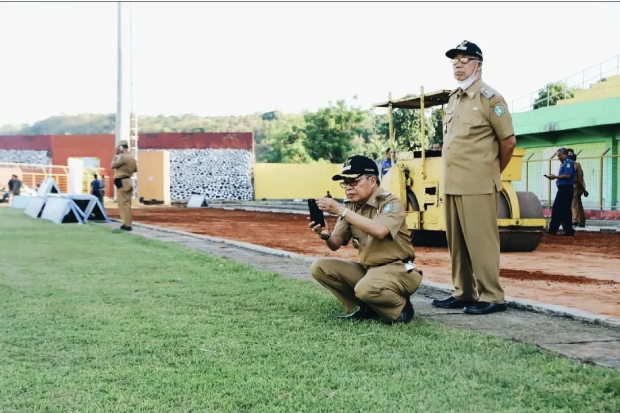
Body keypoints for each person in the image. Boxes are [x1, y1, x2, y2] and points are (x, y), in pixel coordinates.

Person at [431, 40, 516, 315]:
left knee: (481, 242)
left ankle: (492, 295)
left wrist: (491, 172)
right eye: (455, 60)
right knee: (456, 243)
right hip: (453, 183)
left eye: (465, 59)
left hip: (478, 184)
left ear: (478, 65)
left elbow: (509, 142)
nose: (458, 64)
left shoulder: (491, 99)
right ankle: (464, 292)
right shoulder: (454, 99)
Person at [308, 155, 423, 324]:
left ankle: (401, 307)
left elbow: (380, 231)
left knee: (365, 288)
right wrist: (325, 234)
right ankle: (369, 307)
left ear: (372, 181)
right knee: (320, 267)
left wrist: (342, 211)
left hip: (399, 269)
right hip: (370, 270)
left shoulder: (390, 202)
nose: (348, 188)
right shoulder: (351, 207)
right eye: (345, 183)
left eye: (354, 182)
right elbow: (335, 244)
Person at [545, 148, 575, 236]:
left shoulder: (568, 163)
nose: (558, 157)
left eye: (559, 155)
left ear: (565, 154)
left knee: (559, 209)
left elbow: (567, 175)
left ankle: (555, 229)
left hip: (566, 189)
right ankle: (566, 230)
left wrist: (555, 177)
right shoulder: (564, 163)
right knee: (563, 210)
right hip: (563, 189)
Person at [111, 140, 138, 231]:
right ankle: (128, 223)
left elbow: (112, 165)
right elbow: (135, 169)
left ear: (121, 147)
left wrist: (115, 156)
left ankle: (126, 225)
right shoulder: (132, 157)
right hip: (128, 181)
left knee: (123, 204)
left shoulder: (122, 157)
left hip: (122, 182)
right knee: (127, 204)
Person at [567, 149, 588, 227]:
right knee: (578, 204)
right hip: (577, 186)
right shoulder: (576, 164)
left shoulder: (573, 165)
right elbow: (581, 178)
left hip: (575, 187)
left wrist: (584, 189)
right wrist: (584, 189)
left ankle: (575, 220)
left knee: (574, 204)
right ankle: (582, 222)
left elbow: (580, 178)